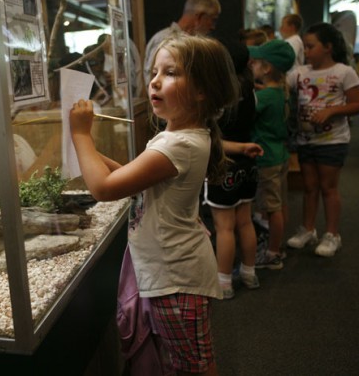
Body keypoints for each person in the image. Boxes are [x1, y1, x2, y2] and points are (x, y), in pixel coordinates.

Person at [70, 34, 240, 375]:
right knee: (183, 361)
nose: (155, 81)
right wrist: (90, 149)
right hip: (171, 271)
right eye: (154, 71)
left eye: (171, 72)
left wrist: (80, 136)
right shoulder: (175, 137)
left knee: (195, 366)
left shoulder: (179, 145)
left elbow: (104, 188)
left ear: (203, 89)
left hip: (177, 277)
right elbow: (133, 181)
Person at [286, 22, 359, 257]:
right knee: (309, 188)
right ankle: (308, 229)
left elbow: (358, 104)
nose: (307, 52)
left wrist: (331, 111)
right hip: (305, 139)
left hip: (333, 140)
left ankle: (332, 234)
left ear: (328, 47)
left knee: (328, 188)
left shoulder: (344, 72)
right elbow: (281, 86)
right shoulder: (299, 72)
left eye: (311, 46)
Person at [202, 39, 264, 299]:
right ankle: (249, 273)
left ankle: (224, 281)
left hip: (223, 164)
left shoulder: (217, 94)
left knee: (224, 227)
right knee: (245, 221)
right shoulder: (250, 89)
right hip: (248, 163)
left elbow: (211, 138)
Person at [248, 40, 296, 269]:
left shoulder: (265, 97)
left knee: (272, 207)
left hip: (266, 157)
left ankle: (272, 253)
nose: (252, 65)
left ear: (266, 69)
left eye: (255, 62)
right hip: (280, 154)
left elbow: (248, 111)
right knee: (280, 203)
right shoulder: (280, 92)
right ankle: (278, 246)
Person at [143, 0, 221, 88]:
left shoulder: (189, 42)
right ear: (200, 17)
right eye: (213, 20)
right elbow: (153, 84)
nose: (213, 27)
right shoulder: (165, 40)